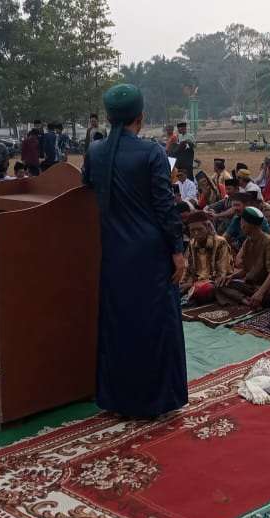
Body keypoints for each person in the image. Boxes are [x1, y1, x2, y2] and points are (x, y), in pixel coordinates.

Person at [81, 84, 186, 418]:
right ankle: (156, 401)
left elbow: (87, 192)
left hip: (112, 251)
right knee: (156, 324)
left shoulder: (94, 151)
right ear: (140, 117)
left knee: (118, 323)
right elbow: (164, 206)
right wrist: (178, 250)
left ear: (109, 116)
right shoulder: (151, 152)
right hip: (150, 252)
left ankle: (118, 398)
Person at [215, 206, 270, 308]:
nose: (241, 226)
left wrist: (260, 292)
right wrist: (231, 277)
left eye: (243, 222)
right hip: (251, 285)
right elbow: (246, 270)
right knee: (219, 285)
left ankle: (248, 299)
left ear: (252, 225)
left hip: (267, 287)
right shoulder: (248, 241)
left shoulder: (269, 243)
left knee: (269, 298)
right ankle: (244, 300)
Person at [181, 211, 234, 303]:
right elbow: (187, 269)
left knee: (206, 289)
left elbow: (222, 274)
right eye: (192, 231)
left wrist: (191, 285)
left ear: (208, 227)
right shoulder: (192, 243)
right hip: (195, 283)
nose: (196, 233)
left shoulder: (220, 242)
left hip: (214, 283)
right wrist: (183, 283)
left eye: (199, 229)